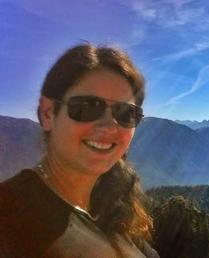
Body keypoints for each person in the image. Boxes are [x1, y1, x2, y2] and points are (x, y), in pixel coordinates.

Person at [0, 44, 159, 257]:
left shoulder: (114, 211)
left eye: (125, 113)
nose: (110, 126)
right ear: (47, 113)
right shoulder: (8, 216)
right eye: (88, 106)